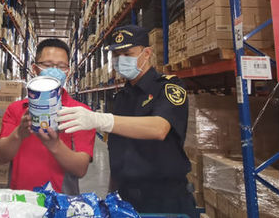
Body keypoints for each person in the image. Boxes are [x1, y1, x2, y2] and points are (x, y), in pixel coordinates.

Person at [58, 25, 197, 217]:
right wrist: (111, 194)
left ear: (146, 53)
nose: (120, 60)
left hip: (164, 199)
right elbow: (119, 151)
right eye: (116, 55)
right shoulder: (122, 96)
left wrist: (101, 119)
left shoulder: (168, 87)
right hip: (125, 197)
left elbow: (159, 128)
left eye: (127, 53)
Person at [0, 38, 95, 194]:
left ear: (68, 71)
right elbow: (1, 157)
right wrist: (18, 134)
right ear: (35, 69)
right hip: (21, 200)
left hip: (61, 201)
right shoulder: (16, 109)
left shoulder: (80, 112)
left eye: (61, 66)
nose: (54, 71)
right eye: (47, 65)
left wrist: (55, 146)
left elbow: (81, 169)